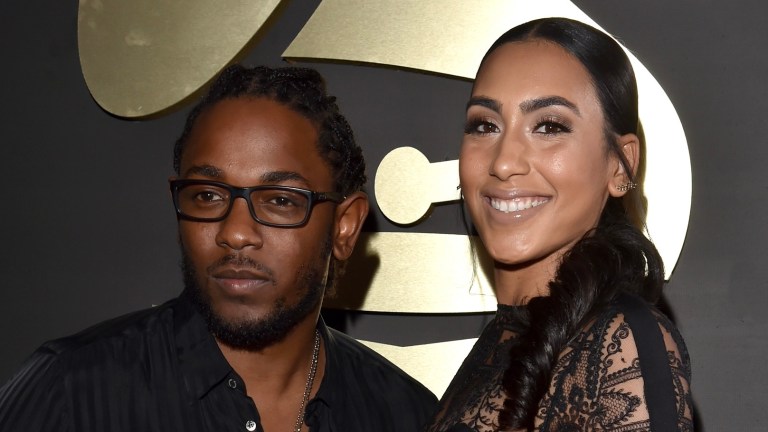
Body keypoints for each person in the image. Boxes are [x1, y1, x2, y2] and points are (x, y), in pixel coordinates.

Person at [0, 65, 437, 431]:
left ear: (344, 227)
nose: (235, 232)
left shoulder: (405, 415)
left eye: (281, 201)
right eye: (208, 195)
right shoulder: (70, 393)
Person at [426, 18, 692, 432]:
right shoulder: (496, 346)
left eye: (549, 126)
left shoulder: (621, 343)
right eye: (485, 125)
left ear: (620, 165)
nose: (504, 162)